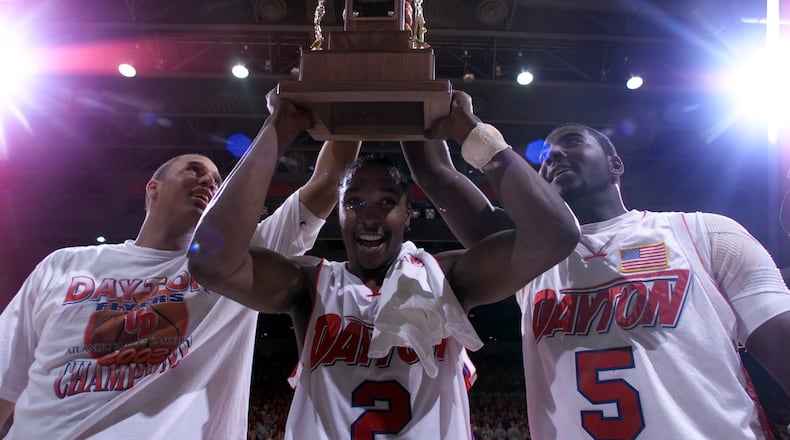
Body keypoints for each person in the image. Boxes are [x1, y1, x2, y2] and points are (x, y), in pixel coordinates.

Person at [186, 90, 579, 439]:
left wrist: (475, 135)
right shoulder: (308, 285)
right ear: (337, 214)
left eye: (386, 202)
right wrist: (278, 129)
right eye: (354, 202)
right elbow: (209, 261)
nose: (369, 217)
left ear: (409, 214)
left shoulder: (447, 279)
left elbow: (556, 234)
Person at [0, 92, 361, 438]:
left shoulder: (236, 262)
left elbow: (328, 184)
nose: (210, 181)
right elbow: (5, 384)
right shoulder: (63, 265)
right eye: (194, 170)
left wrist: (354, 84)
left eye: (218, 181)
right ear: (152, 188)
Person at [403, 122, 790, 439]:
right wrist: (414, 96)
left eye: (571, 142)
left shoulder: (703, 233)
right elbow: (438, 176)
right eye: (543, 157)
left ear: (615, 165)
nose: (553, 155)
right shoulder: (530, 257)